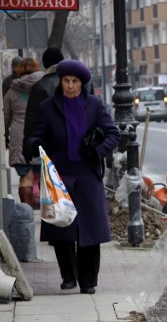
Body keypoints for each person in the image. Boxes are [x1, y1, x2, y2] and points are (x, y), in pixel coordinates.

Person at [25, 59, 120, 294]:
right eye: (66, 81)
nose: (69, 86)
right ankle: (68, 275)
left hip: (87, 174)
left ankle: (88, 281)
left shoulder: (95, 105)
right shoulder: (48, 107)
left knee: (89, 230)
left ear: (82, 84)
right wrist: (35, 144)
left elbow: (112, 133)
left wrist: (97, 152)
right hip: (60, 175)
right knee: (62, 229)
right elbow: (36, 134)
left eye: (74, 82)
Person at [3, 58, 44, 208]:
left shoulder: (12, 91)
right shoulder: (43, 88)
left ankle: (27, 209)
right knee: (39, 175)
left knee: (25, 176)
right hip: (38, 134)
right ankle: (40, 204)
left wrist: (4, 138)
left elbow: (5, 118)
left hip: (19, 136)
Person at [23, 47, 64, 161]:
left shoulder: (40, 87)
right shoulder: (80, 83)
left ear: (45, 64)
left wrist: (28, 151)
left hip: (50, 149)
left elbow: (31, 121)